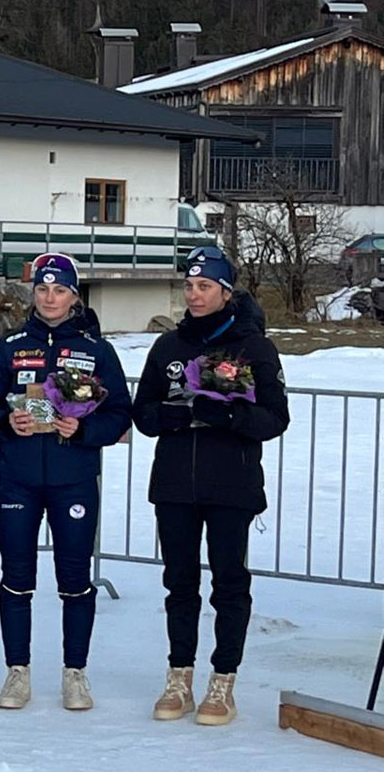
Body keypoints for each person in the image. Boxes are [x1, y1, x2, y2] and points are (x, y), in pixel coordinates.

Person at [132, 246, 288, 725]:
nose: (194, 295)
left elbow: (276, 418)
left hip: (231, 484)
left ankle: (223, 681)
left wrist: (227, 414)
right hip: (176, 484)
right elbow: (144, 413)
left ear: (225, 291)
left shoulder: (253, 347)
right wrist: (177, 415)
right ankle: (179, 676)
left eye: (204, 287)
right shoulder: (169, 347)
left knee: (229, 582)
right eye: (189, 286)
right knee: (179, 582)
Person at [0, 254, 131, 711]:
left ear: (74, 296)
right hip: (18, 480)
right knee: (17, 578)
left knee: (75, 581)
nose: (50, 298)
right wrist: (5, 423)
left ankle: (75, 673)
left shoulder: (95, 349)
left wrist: (84, 431)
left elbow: (121, 411)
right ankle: (17, 671)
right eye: (43, 289)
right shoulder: (11, 345)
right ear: (33, 293)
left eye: (60, 290)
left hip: (73, 479)